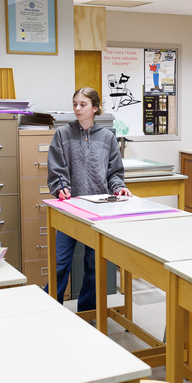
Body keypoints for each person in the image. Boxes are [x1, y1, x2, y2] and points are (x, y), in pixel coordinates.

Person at [46, 88, 130, 312]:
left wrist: (119, 188)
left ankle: (88, 311)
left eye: (82, 104)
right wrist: (61, 187)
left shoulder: (108, 137)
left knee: (94, 265)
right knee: (60, 264)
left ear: (95, 108)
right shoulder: (62, 135)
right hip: (70, 209)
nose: (77, 108)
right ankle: (50, 309)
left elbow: (115, 173)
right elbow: (56, 169)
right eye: (74, 104)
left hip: (98, 211)